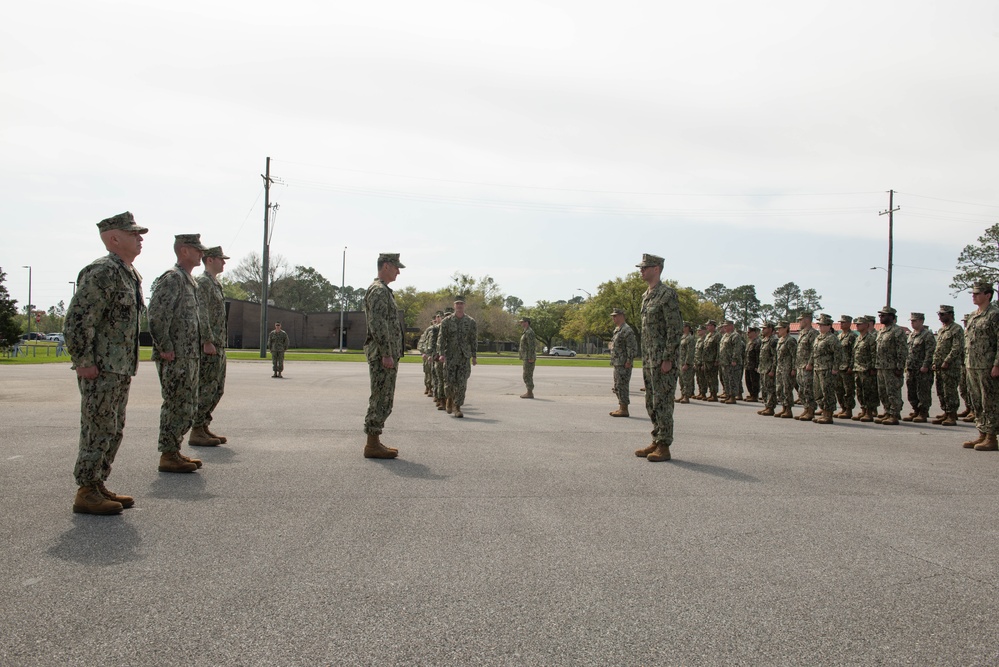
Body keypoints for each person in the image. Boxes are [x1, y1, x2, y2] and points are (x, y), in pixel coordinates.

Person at [65, 211, 147, 514]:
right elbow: (77, 321)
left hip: (119, 366)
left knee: (113, 427)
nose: (140, 239)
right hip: (100, 367)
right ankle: (86, 490)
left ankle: (98, 483)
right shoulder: (102, 271)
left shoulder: (127, 272)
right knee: (97, 428)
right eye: (133, 234)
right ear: (114, 238)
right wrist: (84, 360)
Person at [148, 234, 212, 473]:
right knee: (175, 403)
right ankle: (168, 454)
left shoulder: (189, 281)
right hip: (175, 356)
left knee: (186, 405)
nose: (201, 254)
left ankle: (174, 450)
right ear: (184, 251)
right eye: (197, 250)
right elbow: (156, 314)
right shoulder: (172, 279)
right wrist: (164, 346)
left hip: (189, 355)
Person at [632, 254, 682, 462]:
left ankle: (664, 445)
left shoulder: (667, 294)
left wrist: (668, 357)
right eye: (641, 267)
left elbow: (675, 328)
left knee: (663, 401)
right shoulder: (647, 296)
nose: (641, 270)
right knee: (651, 401)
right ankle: (656, 438)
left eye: (645, 267)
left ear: (657, 268)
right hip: (650, 358)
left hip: (663, 359)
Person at [363, 253, 406, 458]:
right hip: (382, 356)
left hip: (385, 355)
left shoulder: (383, 291)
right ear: (386, 266)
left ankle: (375, 441)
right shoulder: (379, 291)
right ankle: (372, 444)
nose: (398, 271)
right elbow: (378, 324)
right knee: (381, 397)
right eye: (396, 267)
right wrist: (387, 353)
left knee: (384, 397)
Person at [191, 246, 229, 446]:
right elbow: (202, 312)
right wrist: (207, 340)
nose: (224, 262)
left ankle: (203, 425)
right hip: (210, 344)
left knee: (217, 388)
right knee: (206, 387)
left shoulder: (215, 283)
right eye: (221, 259)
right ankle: (196, 429)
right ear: (210, 260)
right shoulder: (203, 282)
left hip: (219, 343)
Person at [962, 282, 999, 451]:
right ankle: (982, 433)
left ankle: (991, 437)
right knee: (976, 401)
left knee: (989, 401)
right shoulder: (972, 316)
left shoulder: (994, 315)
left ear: (988, 295)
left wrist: (997, 364)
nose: (974, 296)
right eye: (973, 293)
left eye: (977, 293)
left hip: (987, 366)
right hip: (972, 365)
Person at [438, 295, 477, 418]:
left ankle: (457, 407)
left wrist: (474, 356)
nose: (459, 306)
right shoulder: (447, 321)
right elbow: (441, 338)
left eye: (461, 303)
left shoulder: (471, 322)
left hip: (464, 356)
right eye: (457, 303)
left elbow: (473, 339)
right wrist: (441, 354)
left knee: (462, 383)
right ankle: (449, 399)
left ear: (464, 305)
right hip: (450, 355)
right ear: (454, 305)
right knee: (449, 382)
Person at [930, 305, 964, 426]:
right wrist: (935, 362)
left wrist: (947, 361)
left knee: (950, 391)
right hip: (940, 366)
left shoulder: (956, 329)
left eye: (943, 314)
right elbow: (937, 349)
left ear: (950, 314)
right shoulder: (941, 330)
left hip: (950, 367)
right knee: (941, 391)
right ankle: (946, 412)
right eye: (939, 314)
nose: (940, 317)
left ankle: (952, 414)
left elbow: (957, 347)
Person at [874, 306, 907, 426]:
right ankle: (887, 412)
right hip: (881, 366)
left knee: (893, 391)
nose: (881, 317)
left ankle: (894, 414)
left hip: (892, 367)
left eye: (884, 315)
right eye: (880, 315)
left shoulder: (897, 331)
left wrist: (899, 367)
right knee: (883, 391)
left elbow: (902, 351)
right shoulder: (882, 331)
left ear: (891, 317)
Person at [808, 314, 842, 424]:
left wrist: (835, 368)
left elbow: (838, 354)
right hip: (817, 368)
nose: (820, 327)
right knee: (818, 392)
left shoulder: (832, 338)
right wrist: (810, 363)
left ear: (829, 326)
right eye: (819, 325)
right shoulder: (818, 337)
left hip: (827, 368)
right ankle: (823, 410)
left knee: (827, 392)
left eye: (823, 325)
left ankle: (828, 415)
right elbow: (814, 353)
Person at [903, 312, 935, 423]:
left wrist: (926, 365)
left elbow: (930, 352)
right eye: (911, 321)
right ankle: (916, 410)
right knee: (911, 391)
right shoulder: (911, 335)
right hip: (911, 368)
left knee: (923, 391)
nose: (912, 323)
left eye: (914, 321)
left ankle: (923, 412)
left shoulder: (927, 335)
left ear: (921, 321)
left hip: (922, 369)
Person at [609, 308, 639, 416]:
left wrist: (629, 360)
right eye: (613, 316)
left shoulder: (627, 330)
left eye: (615, 316)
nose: (613, 318)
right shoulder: (618, 329)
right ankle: (621, 406)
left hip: (623, 363)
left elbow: (632, 347)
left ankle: (624, 409)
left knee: (623, 386)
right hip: (617, 362)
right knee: (618, 386)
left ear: (621, 316)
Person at [851, 315, 879, 423]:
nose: (857, 326)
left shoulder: (871, 338)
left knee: (868, 392)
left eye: (859, 324)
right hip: (858, 369)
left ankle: (869, 412)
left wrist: (872, 368)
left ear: (866, 325)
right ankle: (863, 410)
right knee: (860, 391)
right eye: (856, 324)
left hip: (867, 369)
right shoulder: (858, 338)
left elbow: (874, 354)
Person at [795, 312, 819, 421]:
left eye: (801, 320)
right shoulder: (802, 333)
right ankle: (806, 408)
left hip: (807, 366)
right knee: (802, 389)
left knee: (808, 389)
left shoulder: (813, 333)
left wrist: (810, 363)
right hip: (800, 365)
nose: (799, 322)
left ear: (807, 320)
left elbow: (814, 350)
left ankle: (811, 410)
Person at [833, 315, 857, 419]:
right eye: (840, 322)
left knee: (848, 390)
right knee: (839, 389)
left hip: (847, 367)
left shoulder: (852, 336)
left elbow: (854, 353)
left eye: (843, 322)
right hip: (839, 367)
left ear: (849, 323)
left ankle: (848, 409)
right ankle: (843, 408)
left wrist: (851, 366)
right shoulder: (839, 336)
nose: (841, 324)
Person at [774, 321, 798, 419]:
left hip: (787, 368)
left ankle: (788, 409)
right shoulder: (780, 340)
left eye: (780, 328)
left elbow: (794, 355)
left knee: (787, 389)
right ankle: (783, 407)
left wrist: (794, 368)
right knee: (779, 389)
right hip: (780, 368)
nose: (778, 330)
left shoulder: (790, 340)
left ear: (785, 329)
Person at [718, 320, 744, 404]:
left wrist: (734, 360)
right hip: (724, 362)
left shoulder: (735, 336)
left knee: (732, 379)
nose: (724, 327)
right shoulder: (725, 336)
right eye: (724, 326)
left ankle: (733, 397)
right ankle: (728, 395)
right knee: (726, 379)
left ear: (732, 326)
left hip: (731, 362)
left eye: (726, 326)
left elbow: (737, 349)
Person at [755, 322, 778, 416]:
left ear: (770, 329)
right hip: (763, 368)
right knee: (764, 388)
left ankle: (771, 407)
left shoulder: (773, 340)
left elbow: (775, 357)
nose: (763, 330)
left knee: (770, 389)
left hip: (769, 369)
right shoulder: (764, 340)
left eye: (765, 328)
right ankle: (766, 406)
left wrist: (772, 370)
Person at [701, 320, 720, 401]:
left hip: (712, 360)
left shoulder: (717, 335)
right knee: (708, 378)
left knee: (713, 378)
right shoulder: (708, 335)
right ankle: (711, 393)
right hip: (706, 360)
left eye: (708, 325)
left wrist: (717, 359)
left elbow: (718, 349)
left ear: (713, 326)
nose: (707, 327)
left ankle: (714, 394)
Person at [518, 316, 537, 399]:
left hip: (529, 357)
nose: (521, 323)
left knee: (527, 374)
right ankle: (529, 392)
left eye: (522, 322)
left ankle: (529, 393)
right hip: (526, 356)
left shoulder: (529, 332)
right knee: (526, 374)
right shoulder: (526, 332)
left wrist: (531, 357)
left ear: (526, 322)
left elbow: (532, 346)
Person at [678, 322, 696, 403]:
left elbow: (690, 352)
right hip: (680, 361)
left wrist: (687, 363)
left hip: (686, 362)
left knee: (686, 381)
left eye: (684, 326)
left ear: (688, 328)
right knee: (681, 380)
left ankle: (686, 396)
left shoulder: (690, 338)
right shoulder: (682, 337)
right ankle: (682, 394)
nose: (683, 328)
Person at [744, 325, 761, 402]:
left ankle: (755, 395)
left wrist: (757, 365)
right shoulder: (749, 342)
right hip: (748, 365)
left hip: (754, 366)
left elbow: (758, 355)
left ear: (754, 333)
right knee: (748, 381)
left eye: (749, 332)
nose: (748, 334)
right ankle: (751, 394)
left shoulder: (757, 342)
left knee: (754, 381)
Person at [693, 324, 707, 400]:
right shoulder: (698, 340)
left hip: (702, 362)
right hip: (697, 361)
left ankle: (704, 393)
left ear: (704, 331)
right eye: (698, 330)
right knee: (699, 378)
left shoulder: (705, 339)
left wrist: (703, 363)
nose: (698, 331)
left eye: (700, 330)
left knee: (703, 379)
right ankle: (700, 392)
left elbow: (705, 352)